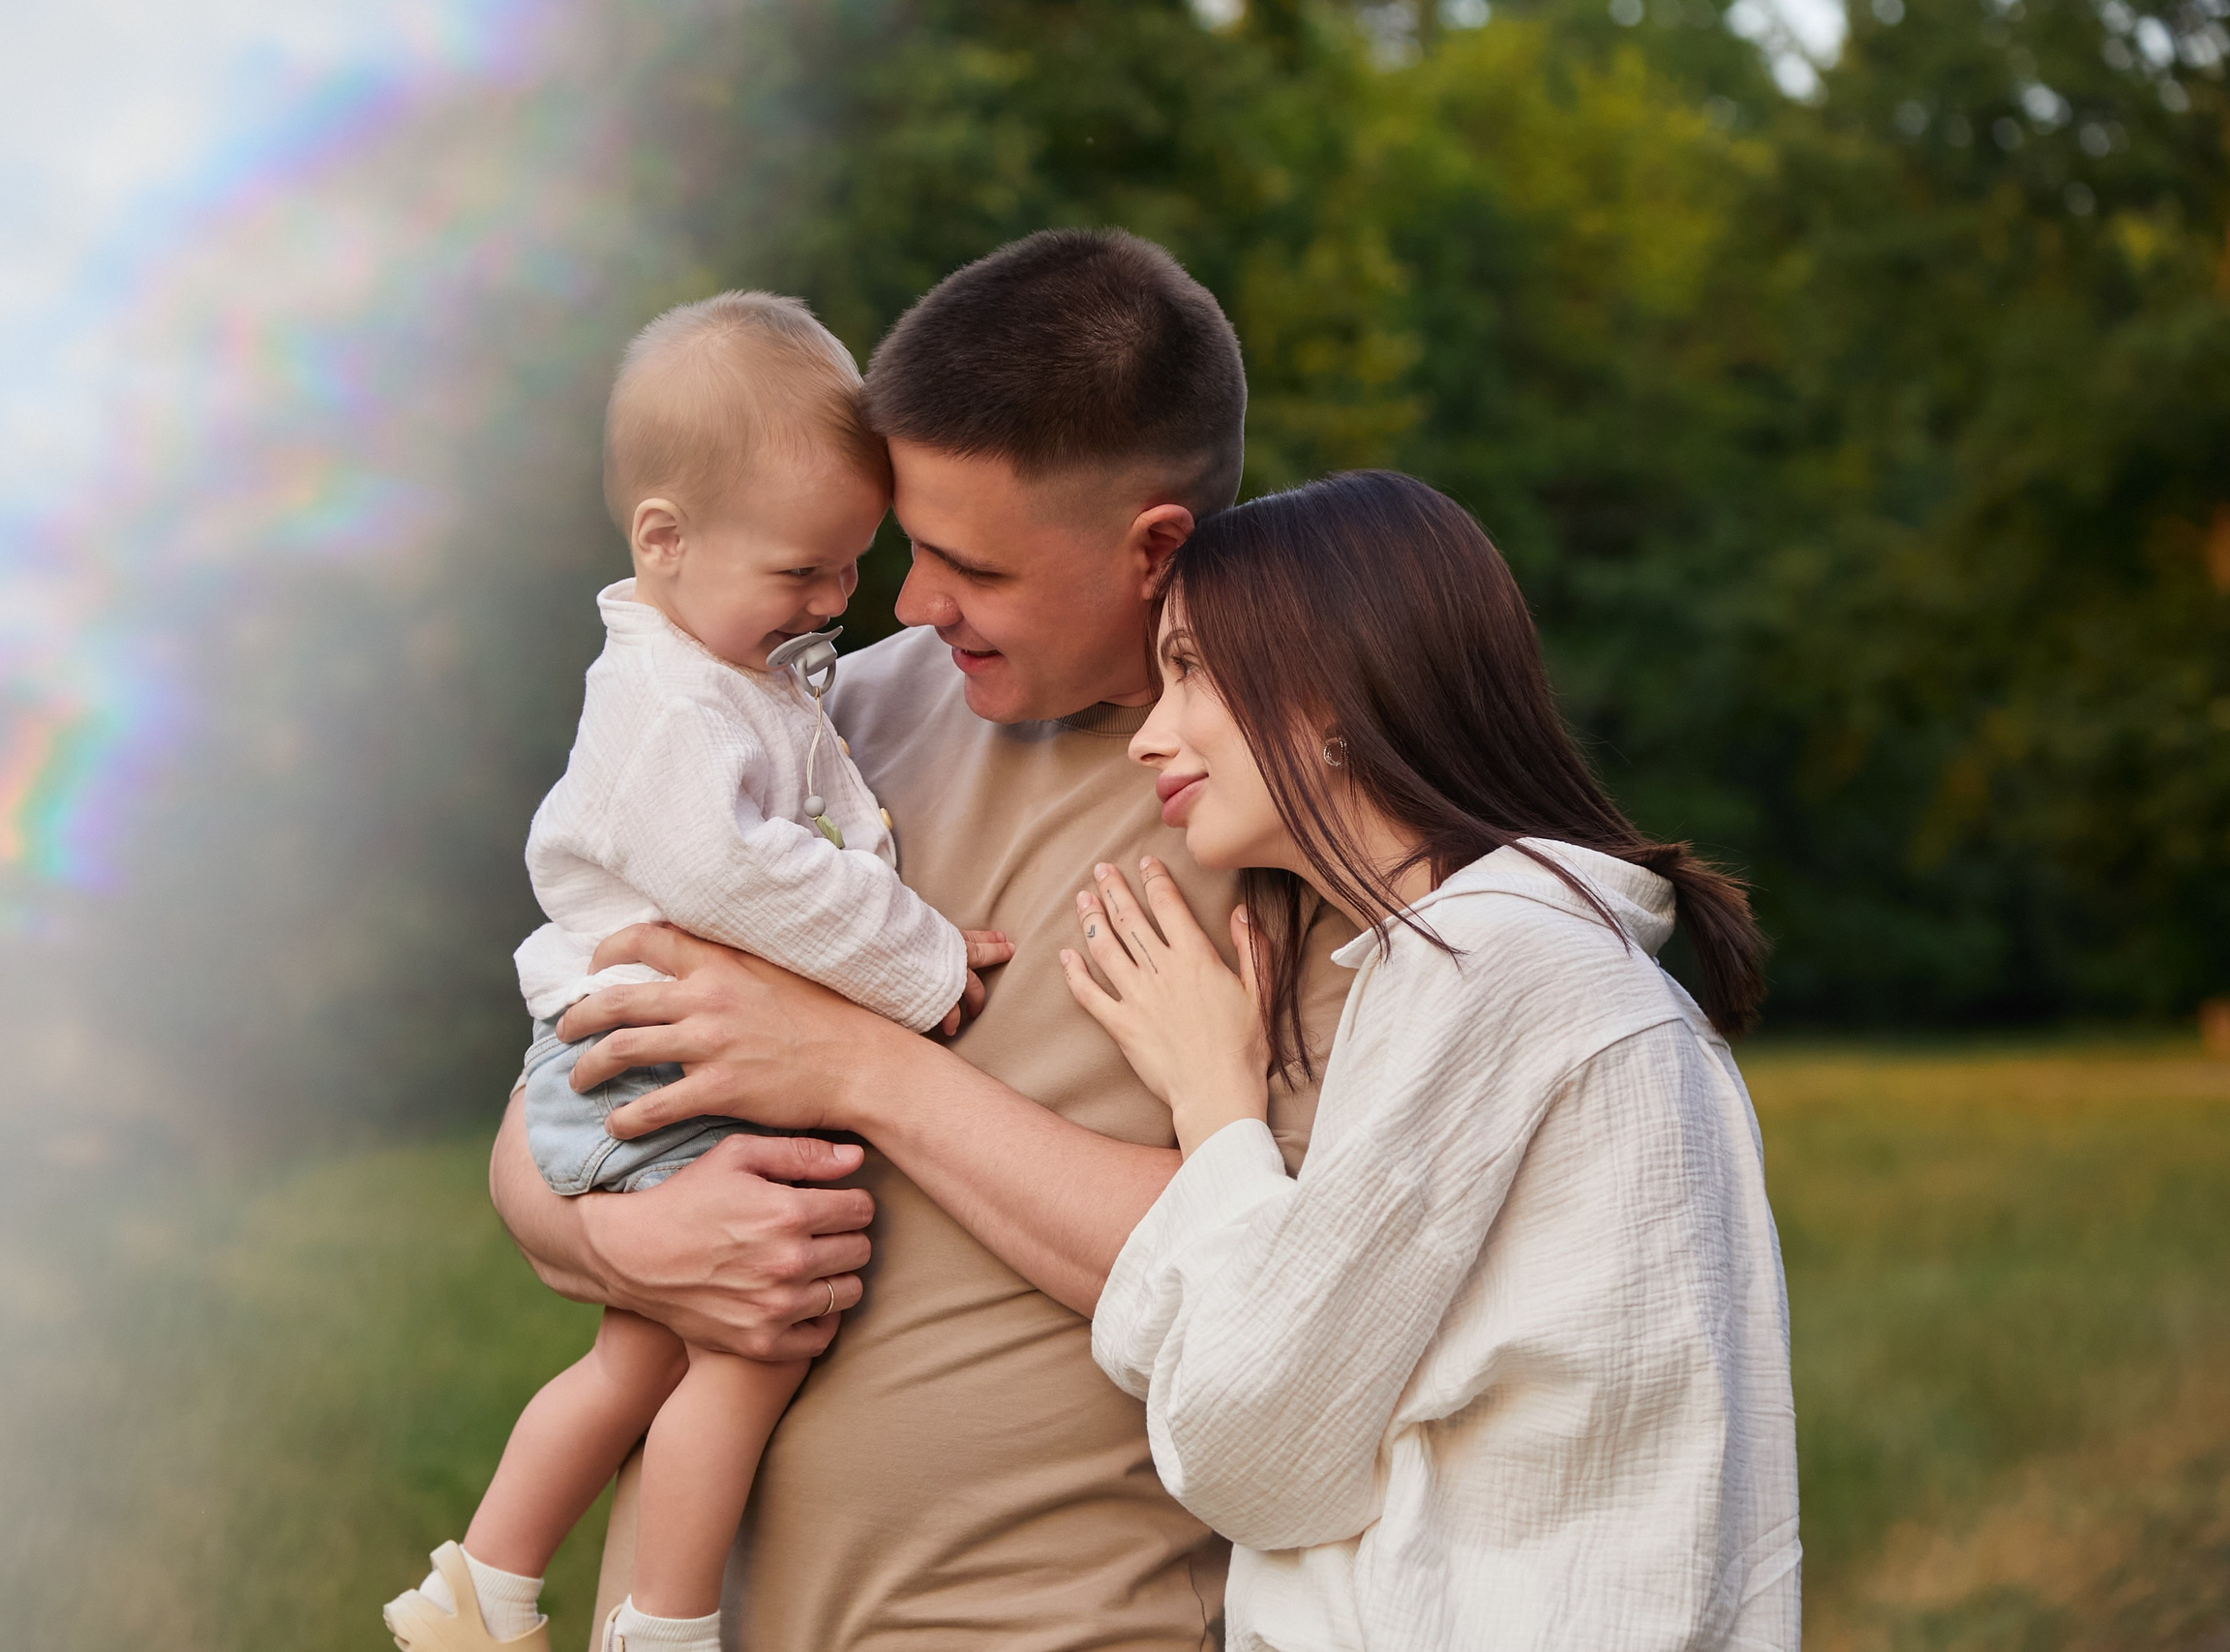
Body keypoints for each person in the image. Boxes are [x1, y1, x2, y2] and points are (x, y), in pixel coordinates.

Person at [488, 229, 1359, 1648]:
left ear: (1153, 547)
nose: (904, 603)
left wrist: (858, 1068)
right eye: (904, 545)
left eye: (969, 564)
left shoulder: (1296, 814)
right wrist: (626, 1238)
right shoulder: (813, 719)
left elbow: (1303, 1291)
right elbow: (545, 1117)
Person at [1064, 468, 1802, 1648]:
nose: (1149, 735)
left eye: (1189, 669)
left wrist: (1213, 1106)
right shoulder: (1540, 966)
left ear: (1333, 687)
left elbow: (1249, 1446)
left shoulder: (1491, 967)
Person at [383, 291, 1010, 1652]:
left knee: (638, 1357)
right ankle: (662, 1628)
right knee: (751, 1347)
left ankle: (479, 1585)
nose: (835, 600)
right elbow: (737, 875)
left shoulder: (728, 666)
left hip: (636, 1048)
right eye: (804, 571)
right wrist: (920, 954)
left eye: (852, 564)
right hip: (647, 1058)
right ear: (663, 538)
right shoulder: (670, 701)